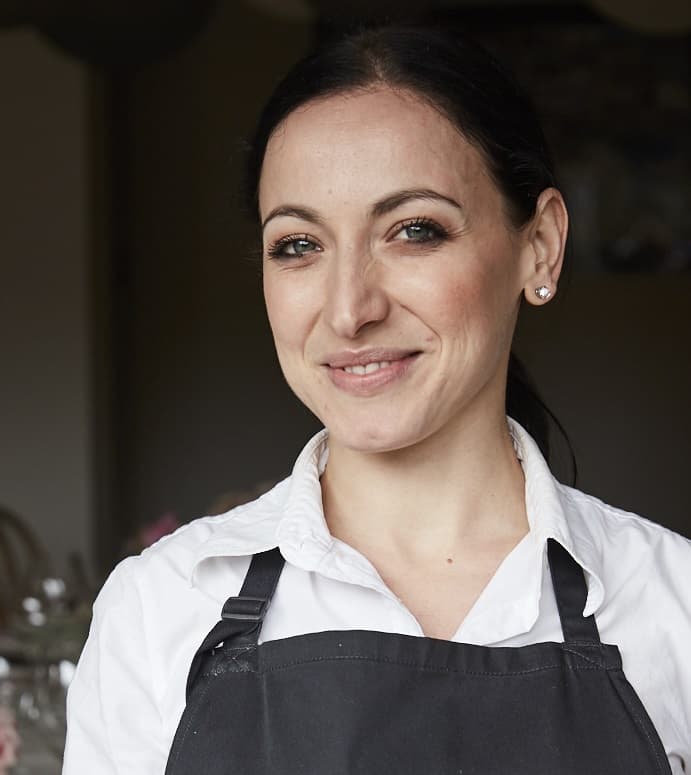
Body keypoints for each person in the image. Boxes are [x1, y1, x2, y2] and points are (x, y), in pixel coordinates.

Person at [63, 25, 691, 774]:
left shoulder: (673, 607)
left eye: (413, 231)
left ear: (540, 246)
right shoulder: (159, 608)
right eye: (298, 245)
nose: (348, 310)